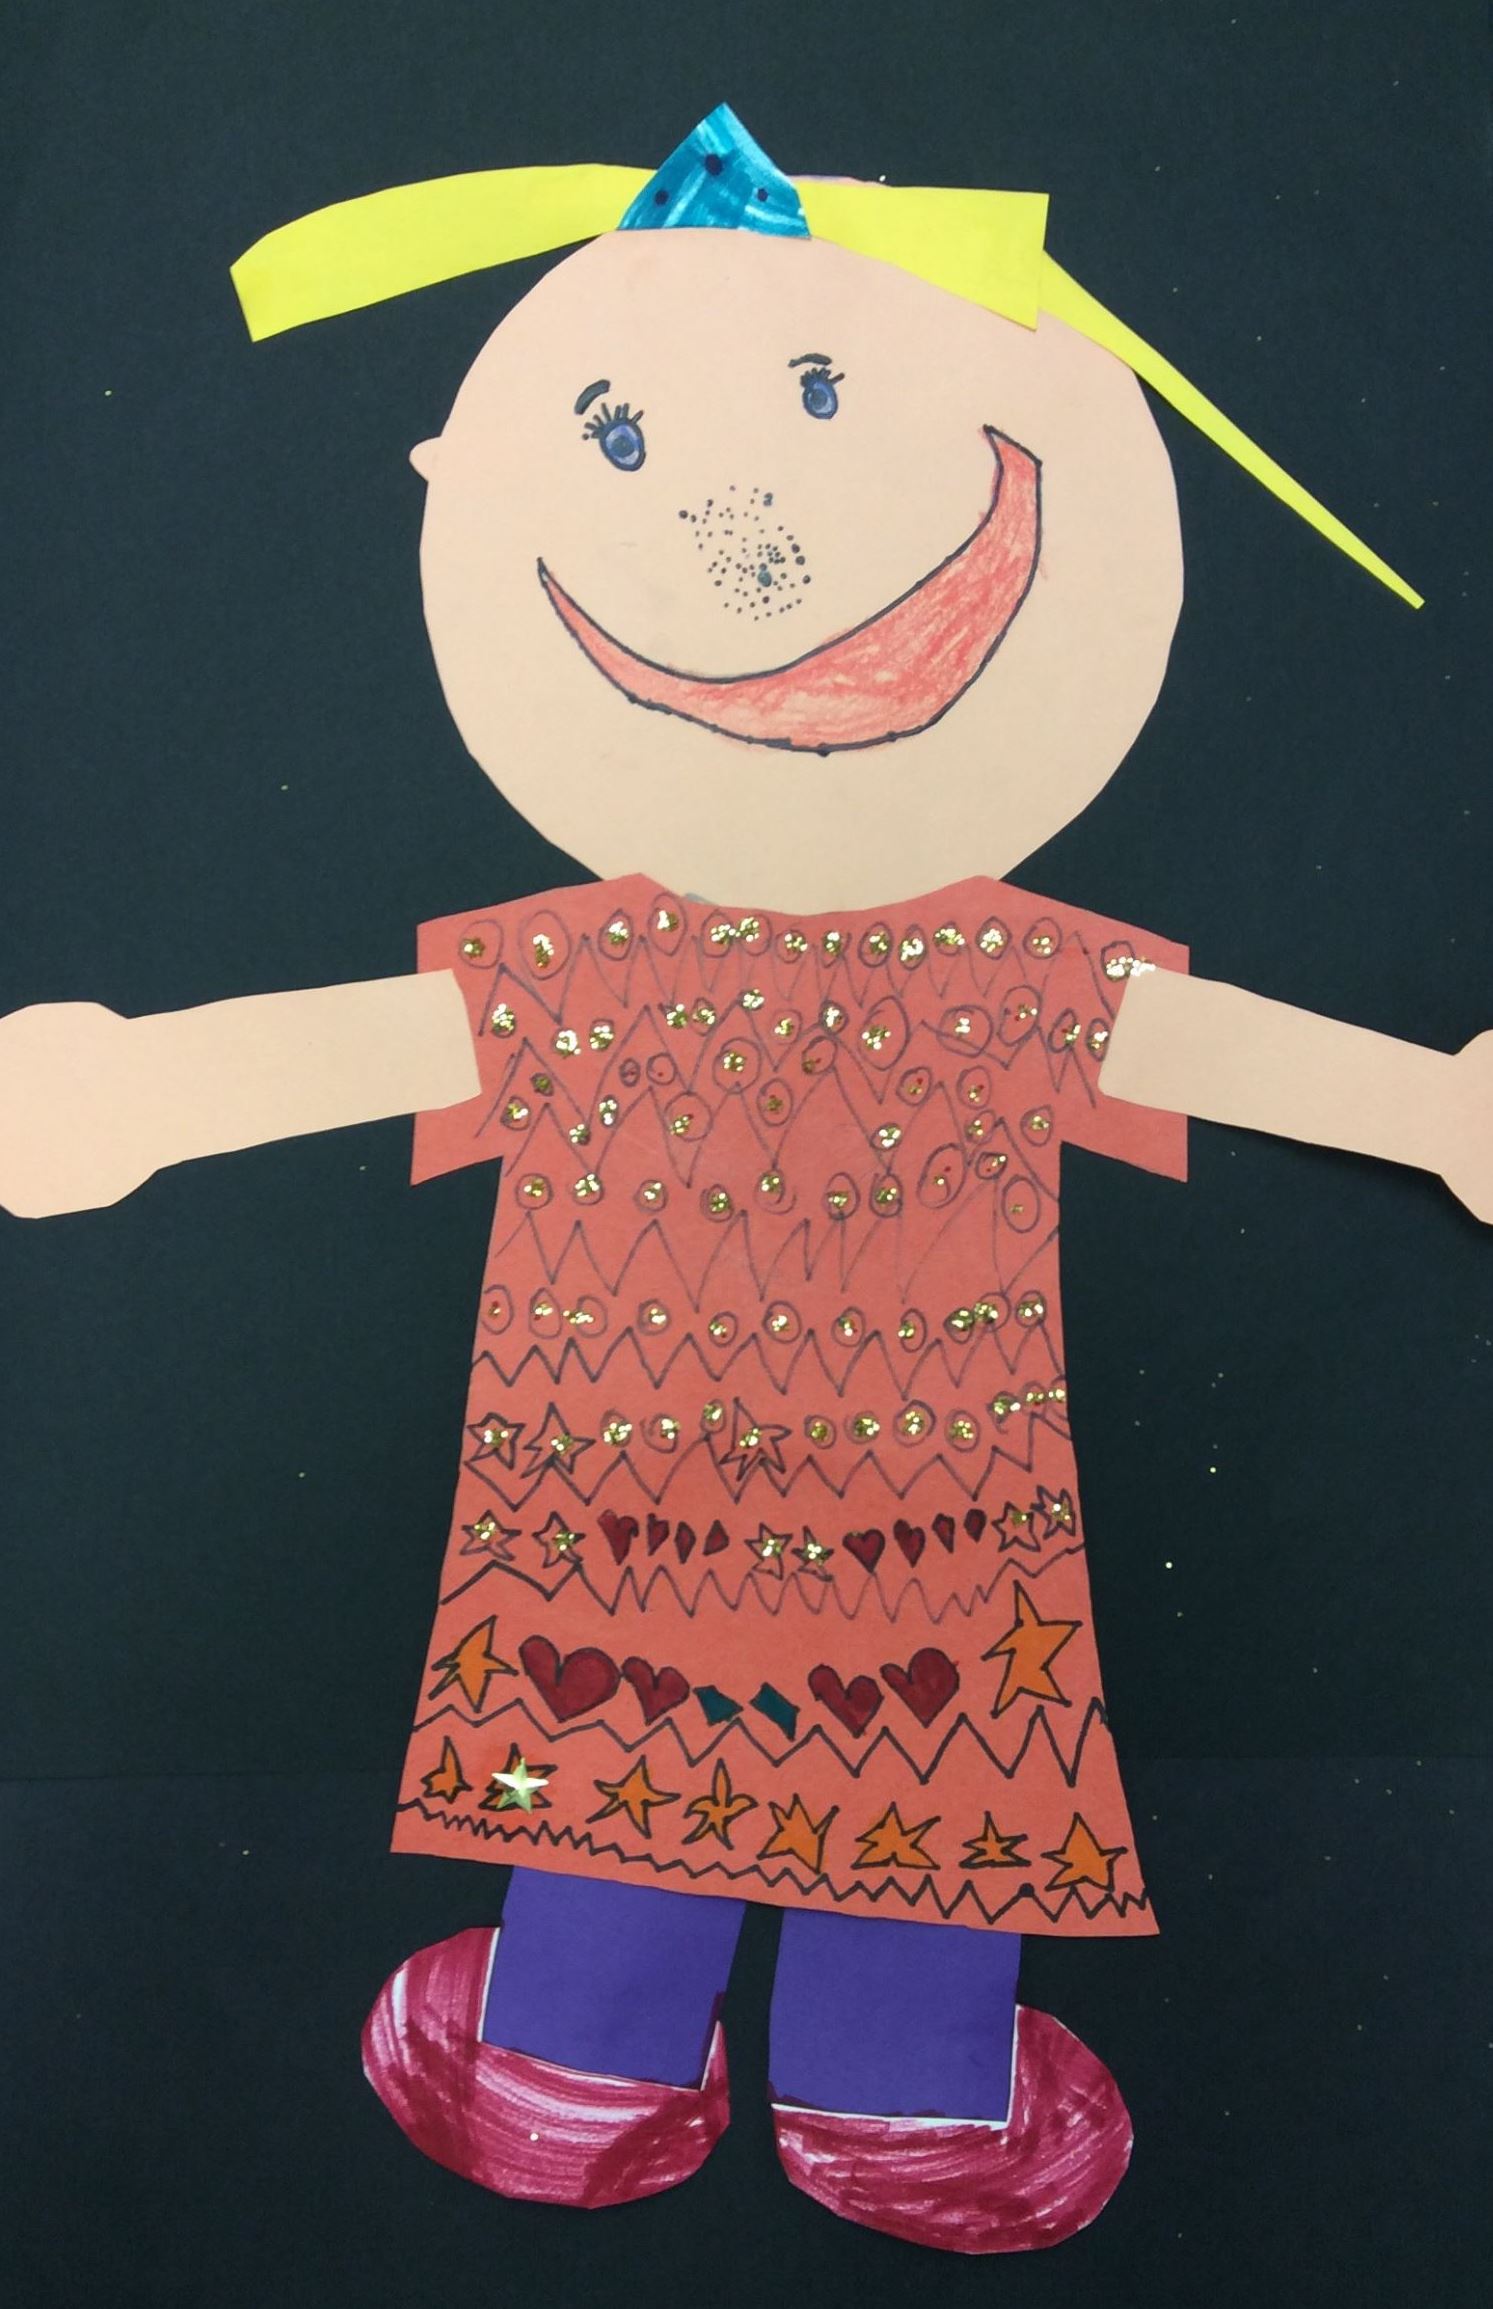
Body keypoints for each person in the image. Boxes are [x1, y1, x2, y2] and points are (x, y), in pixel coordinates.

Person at [2, 107, 1486, 2255]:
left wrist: (1434, 1113)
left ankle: (635, 2070)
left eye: (818, 395)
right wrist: (146, 1089)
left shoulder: (966, 973)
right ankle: (843, 2099)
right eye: (620, 441)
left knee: (697, 1760)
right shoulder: (653, 970)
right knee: (814, 1775)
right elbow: (394, 1040)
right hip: (821, 1524)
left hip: (727, 1521)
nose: (751, 527)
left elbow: (1191, 1046)